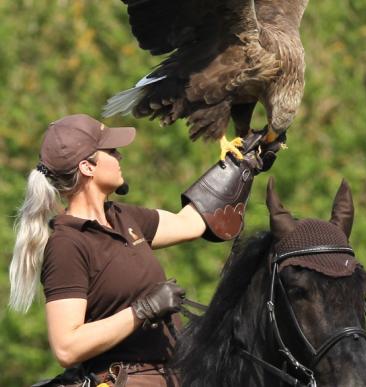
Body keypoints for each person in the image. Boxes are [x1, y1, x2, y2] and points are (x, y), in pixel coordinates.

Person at [9, 114, 277, 387]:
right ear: (88, 167)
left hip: (175, 373)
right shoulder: (67, 244)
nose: (120, 157)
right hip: (122, 379)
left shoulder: (124, 217)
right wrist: (142, 310)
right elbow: (66, 347)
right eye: (111, 151)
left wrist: (240, 166)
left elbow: (189, 223)